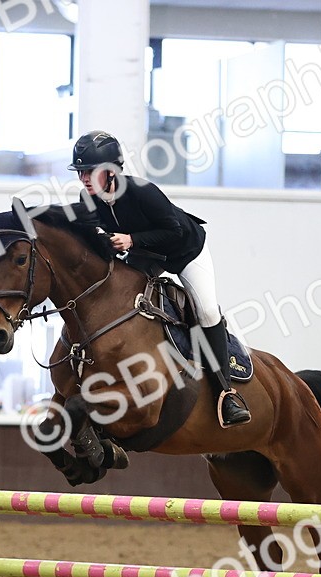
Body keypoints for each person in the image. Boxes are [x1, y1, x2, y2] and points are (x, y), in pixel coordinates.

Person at [69, 130, 251, 428]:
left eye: (90, 172)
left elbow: (175, 231)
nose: (84, 178)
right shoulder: (88, 199)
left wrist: (132, 240)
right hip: (148, 257)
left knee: (205, 310)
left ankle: (226, 394)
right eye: (81, 172)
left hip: (186, 251)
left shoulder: (142, 192)